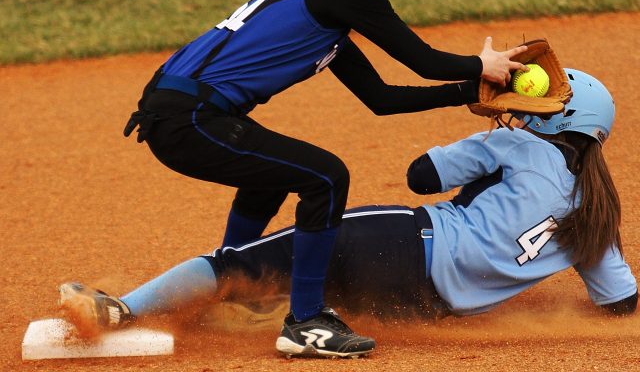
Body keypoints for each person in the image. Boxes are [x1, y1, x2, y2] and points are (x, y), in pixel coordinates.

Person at [119, 0, 527, 358]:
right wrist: (481, 65)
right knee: (326, 177)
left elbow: (382, 99)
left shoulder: (320, 3)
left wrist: (467, 94)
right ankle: (307, 321)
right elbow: (424, 62)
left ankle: (231, 286)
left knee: (275, 176)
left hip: (179, 113)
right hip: (190, 119)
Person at [62, 69, 637, 357]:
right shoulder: (598, 220)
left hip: (402, 243)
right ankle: (240, 307)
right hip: (421, 306)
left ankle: (119, 310)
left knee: (241, 260)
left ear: (552, 121)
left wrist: (486, 137)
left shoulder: (518, 146)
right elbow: (620, 302)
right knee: (308, 277)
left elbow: (421, 176)